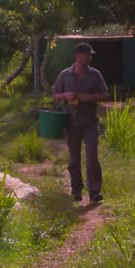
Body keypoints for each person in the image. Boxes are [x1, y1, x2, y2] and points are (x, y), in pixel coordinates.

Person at [52, 43, 109, 202]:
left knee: (92, 157)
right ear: (78, 56)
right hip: (72, 122)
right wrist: (66, 94)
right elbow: (55, 95)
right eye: (87, 55)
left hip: (90, 121)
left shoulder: (95, 74)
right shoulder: (64, 75)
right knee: (74, 158)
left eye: (90, 55)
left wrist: (87, 97)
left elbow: (105, 95)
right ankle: (76, 190)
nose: (90, 58)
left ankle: (95, 192)